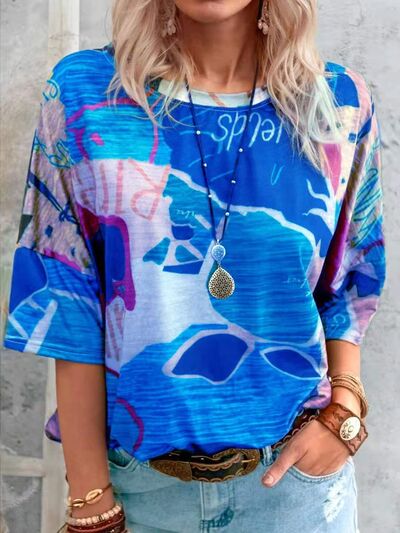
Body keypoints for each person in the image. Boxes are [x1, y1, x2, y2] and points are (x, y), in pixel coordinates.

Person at [2, 0, 386, 531]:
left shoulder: (338, 104)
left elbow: (350, 280)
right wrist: (91, 499)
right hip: (135, 493)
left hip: (296, 492)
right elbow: (69, 304)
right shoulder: (84, 94)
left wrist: (344, 410)